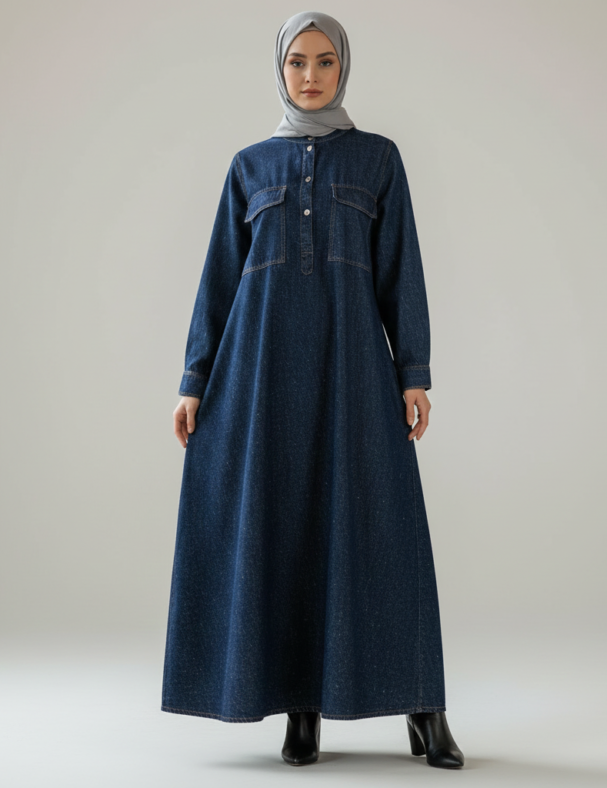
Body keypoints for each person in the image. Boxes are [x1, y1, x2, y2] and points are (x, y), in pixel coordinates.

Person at [162, 10, 465, 770]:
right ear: (280, 69)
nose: (310, 75)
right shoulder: (250, 167)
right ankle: (301, 711)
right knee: (285, 529)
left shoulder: (378, 159)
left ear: (343, 68)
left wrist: (414, 372)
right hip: (260, 379)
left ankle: (425, 708)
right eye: (297, 61)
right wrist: (194, 381)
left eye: (325, 61)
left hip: (354, 374)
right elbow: (220, 282)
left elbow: (402, 269)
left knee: (384, 526)